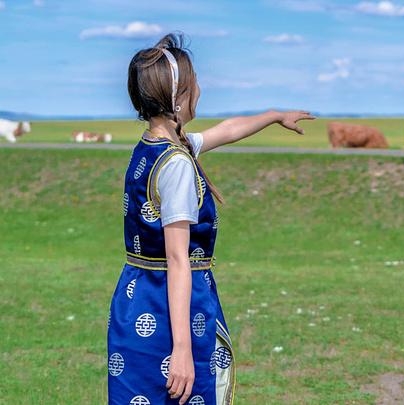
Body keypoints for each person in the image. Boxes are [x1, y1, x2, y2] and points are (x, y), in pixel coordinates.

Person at [107, 32, 314, 405]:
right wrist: (182, 350)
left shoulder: (156, 145)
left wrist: (274, 116)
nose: (200, 88)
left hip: (136, 299)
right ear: (178, 95)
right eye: (195, 81)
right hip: (170, 308)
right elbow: (177, 260)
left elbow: (226, 130)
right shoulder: (177, 164)